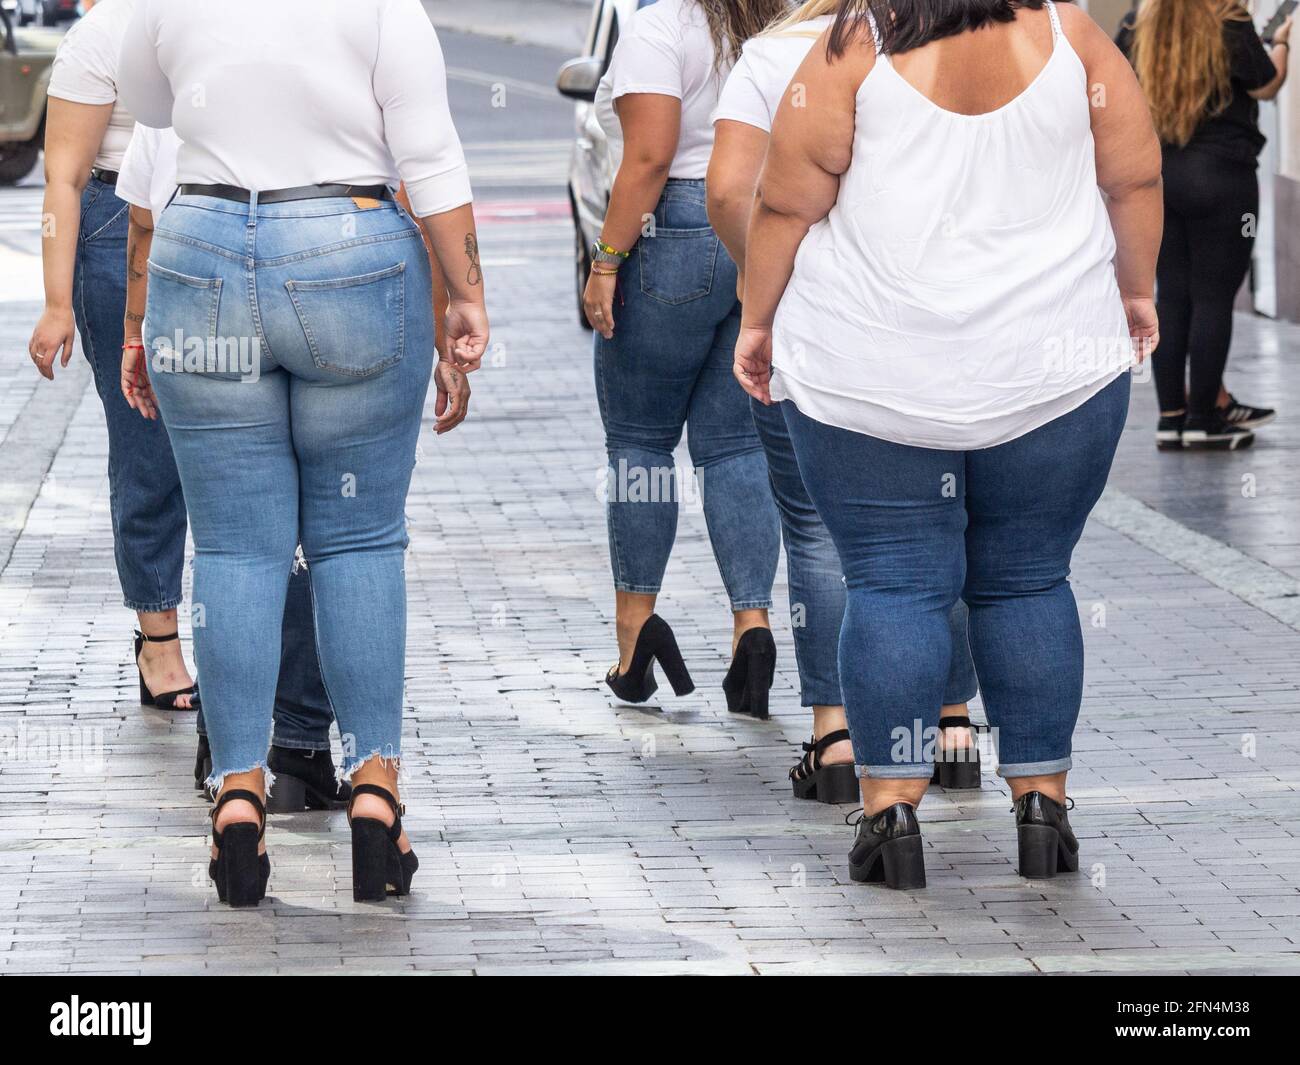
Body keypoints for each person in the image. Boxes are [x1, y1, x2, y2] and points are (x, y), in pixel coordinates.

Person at [735, 0, 1162, 887]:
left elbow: (782, 198)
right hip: (1052, 373)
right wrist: (1137, 290)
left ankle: (891, 817)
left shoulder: (856, 41)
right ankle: (1042, 808)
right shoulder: (1069, 34)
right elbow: (1134, 178)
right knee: (1029, 577)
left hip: (874, 376)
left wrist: (758, 317)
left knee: (893, 583)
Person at [117, 0, 489, 906]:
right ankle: (373, 798)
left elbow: (145, 103)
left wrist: (135, 326)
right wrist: (466, 299)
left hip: (199, 253)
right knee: (359, 540)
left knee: (237, 545)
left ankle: (238, 798)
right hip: (349, 253)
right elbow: (430, 161)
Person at [707, 0, 982, 799]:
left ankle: (834, 736)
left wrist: (770, 287)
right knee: (943, 523)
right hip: (937, 330)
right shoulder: (940, 38)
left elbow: (729, 191)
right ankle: (955, 724)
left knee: (819, 532)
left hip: (821, 340)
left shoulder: (774, 55)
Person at [585, 0, 787, 718]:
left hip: (672, 231)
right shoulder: (780, 18)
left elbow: (648, 156)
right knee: (736, 445)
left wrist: (607, 260)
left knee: (641, 443)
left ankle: (635, 642)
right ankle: (752, 629)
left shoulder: (660, 24)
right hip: (762, 224)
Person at [26, 0, 198, 712]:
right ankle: (158, 636)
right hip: (112, 232)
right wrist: (57, 302)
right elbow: (62, 178)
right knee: (147, 444)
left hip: (211, 222)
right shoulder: (101, 37)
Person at [1119, 1, 1291, 451]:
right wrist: (1284, 45)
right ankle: (1203, 420)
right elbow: (1265, 86)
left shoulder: (1140, 19)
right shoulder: (1227, 19)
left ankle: (1171, 417)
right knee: (1214, 299)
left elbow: (1115, 83)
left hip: (1160, 179)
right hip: (1222, 177)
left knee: (1171, 298)